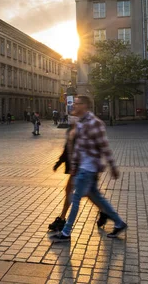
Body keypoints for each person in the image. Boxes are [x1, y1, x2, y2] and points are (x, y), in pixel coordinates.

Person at [51, 96, 127, 241]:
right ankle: (119, 222)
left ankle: (66, 232)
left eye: (77, 104)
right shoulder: (80, 123)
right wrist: (73, 166)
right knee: (98, 198)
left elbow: (104, 146)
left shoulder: (95, 123)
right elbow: (78, 148)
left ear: (85, 105)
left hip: (89, 168)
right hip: (83, 168)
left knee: (75, 198)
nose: (74, 106)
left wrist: (113, 166)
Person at [49, 120, 108, 232]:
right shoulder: (72, 131)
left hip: (81, 169)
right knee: (85, 193)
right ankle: (104, 211)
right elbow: (66, 150)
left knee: (73, 193)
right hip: (76, 169)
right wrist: (58, 163)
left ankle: (63, 221)